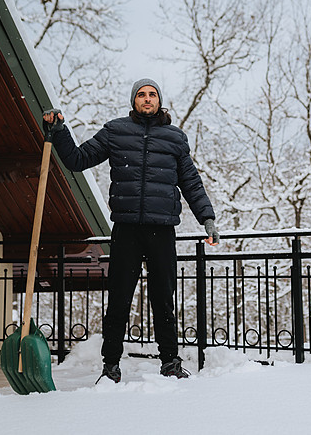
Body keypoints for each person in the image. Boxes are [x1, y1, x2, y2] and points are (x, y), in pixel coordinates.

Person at [43, 78, 220, 381]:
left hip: (162, 230)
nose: (147, 98)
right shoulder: (116, 131)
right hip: (126, 229)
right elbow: (77, 159)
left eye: (152, 94)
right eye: (141, 94)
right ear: (134, 101)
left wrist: (207, 218)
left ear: (159, 100)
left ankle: (170, 362)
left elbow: (191, 182)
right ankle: (110, 365)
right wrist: (59, 132)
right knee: (119, 298)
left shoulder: (175, 138)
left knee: (163, 298)